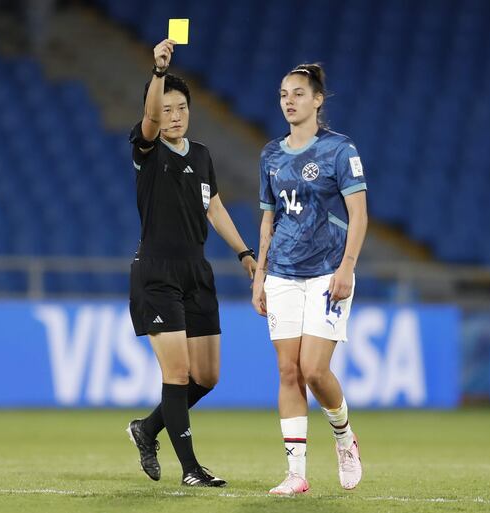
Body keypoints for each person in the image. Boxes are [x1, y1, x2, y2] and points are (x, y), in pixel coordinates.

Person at [126, 39, 256, 487]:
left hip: (197, 273)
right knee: (177, 373)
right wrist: (159, 71)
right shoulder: (147, 150)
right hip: (157, 273)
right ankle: (191, 469)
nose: (174, 115)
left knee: (207, 376)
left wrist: (244, 253)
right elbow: (145, 121)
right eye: (166, 108)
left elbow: (214, 207)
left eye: (181, 107)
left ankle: (146, 428)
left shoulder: (200, 155)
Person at [251, 64, 368, 495]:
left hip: (327, 273)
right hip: (282, 273)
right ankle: (296, 473)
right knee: (287, 371)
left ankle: (344, 436)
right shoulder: (270, 154)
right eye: (284, 93)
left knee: (315, 370)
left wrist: (347, 267)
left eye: (298, 93)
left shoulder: (339, 150)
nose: (289, 100)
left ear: (318, 99)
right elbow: (268, 219)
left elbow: (359, 215)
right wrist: (259, 275)